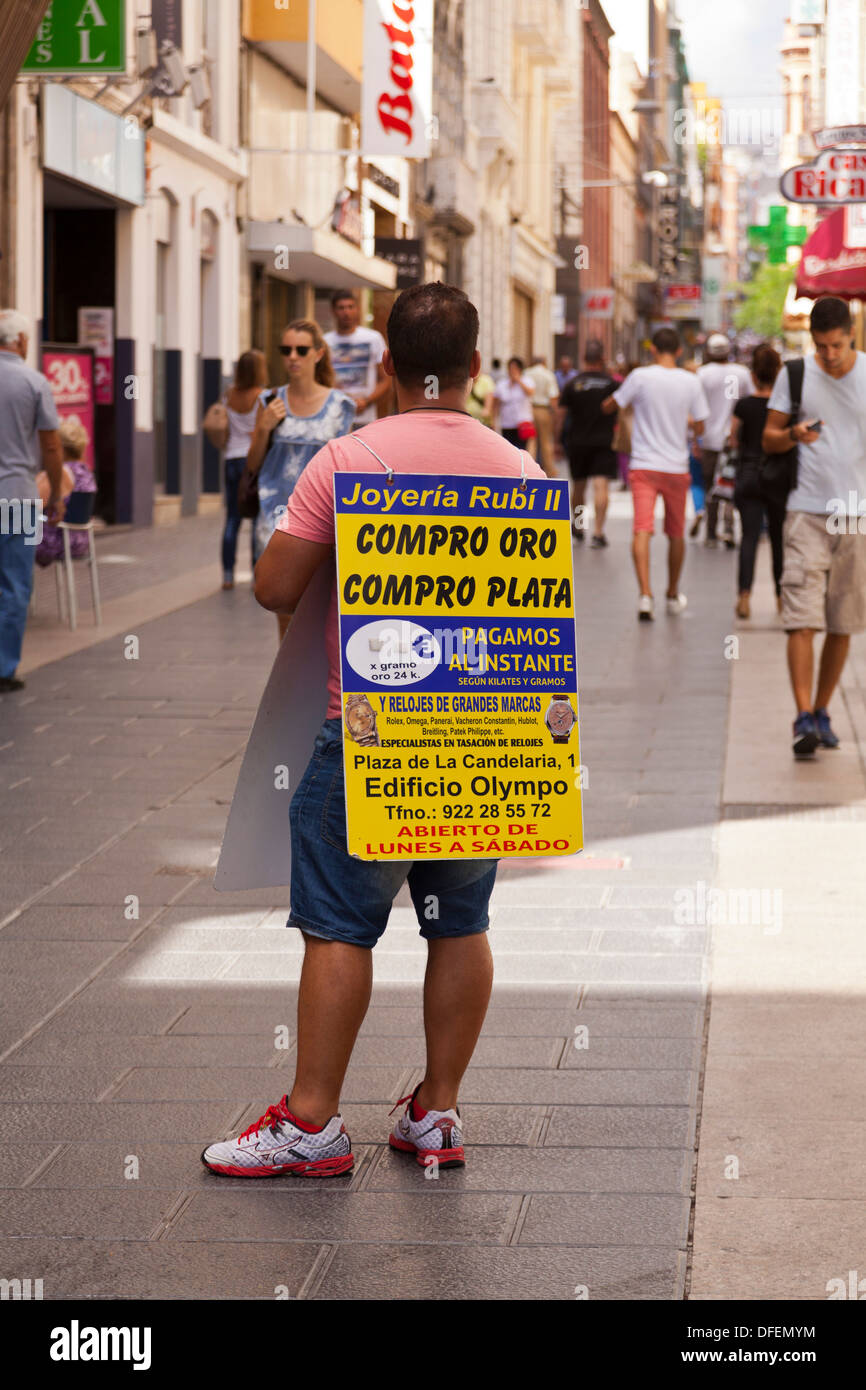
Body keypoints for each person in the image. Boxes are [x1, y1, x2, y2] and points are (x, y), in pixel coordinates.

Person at [201, 283, 547, 1179]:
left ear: (386, 365)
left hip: (369, 733)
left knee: (339, 928)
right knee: (459, 921)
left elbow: (275, 587)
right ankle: (437, 1113)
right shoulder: (520, 470)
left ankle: (313, 1123)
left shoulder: (349, 461)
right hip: (485, 737)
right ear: (475, 369)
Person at [762, 296, 866, 759]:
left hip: (857, 515)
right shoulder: (796, 373)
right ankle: (803, 716)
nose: (828, 355)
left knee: (842, 623)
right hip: (805, 511)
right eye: (821, 346)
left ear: (852, 336)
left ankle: (823, 710)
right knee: (801, 620)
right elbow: (769, 436)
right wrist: (792, 436)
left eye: (837, 346)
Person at [246, 320, 355, 641]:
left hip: (324, 518)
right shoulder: (269, 402)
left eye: (301, 350)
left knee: (324, 608)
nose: (293, 356)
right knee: (285, 611)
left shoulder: (340, 406)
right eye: (286, 350)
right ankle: (290, 686)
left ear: (318, 354)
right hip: (276, 518)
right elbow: (252, 466)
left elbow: (346, 471)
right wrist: (264, 428)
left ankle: (320, 684)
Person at [602, 326, 709, 621]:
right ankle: (672, 593)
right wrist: (684, 419)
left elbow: (611, 405)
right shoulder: (690, 381)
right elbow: (700, 426)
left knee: (642, 529)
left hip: (644, 465)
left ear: (652, 350)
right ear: (678, 351)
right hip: (676, 467)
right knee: (676, 534)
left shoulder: (640, 377)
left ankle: (645, 596)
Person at [0, 309, 63, 694]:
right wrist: (55, 493)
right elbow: (52, 444)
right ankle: (4, 669)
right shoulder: (33, 381)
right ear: (21, 341)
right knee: (14, 584)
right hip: (18, 500)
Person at [729, 343, 784, 621]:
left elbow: (732, 439)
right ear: (779, 372)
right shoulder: (784, 407)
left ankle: (744, 597)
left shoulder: (743, 405)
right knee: (778, 540)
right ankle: (780, 598)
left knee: (748, 538)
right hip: (777, 478)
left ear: (754, 374)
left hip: (748, 475)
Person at [557, 339, 618, 548]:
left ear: (584, 359)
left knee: (579, 487)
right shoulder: (612, 384)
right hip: (604, 442)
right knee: (601, 486)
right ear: (602, 359)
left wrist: (556, 440)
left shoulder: (573, 384)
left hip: (578, 442)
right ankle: (599, 532)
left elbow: (561, 414)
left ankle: (580, 525)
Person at [694, 334, 752, 548]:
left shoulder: (702, 374)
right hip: (734, 440)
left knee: (711, 486)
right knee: (730, 484)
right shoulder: (742, 373)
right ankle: (728, 528)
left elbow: (696, 410)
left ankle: (710, 532)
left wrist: (694, 439)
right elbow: (749, 403)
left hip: (709, 439)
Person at [220, 349, 267, 590]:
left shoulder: (229, 395)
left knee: (232, 519)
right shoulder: (260, 397)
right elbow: (260, 431)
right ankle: (255, 573)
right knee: (255, 518)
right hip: (252, 461)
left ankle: (228, 575)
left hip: (230, 459)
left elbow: (225, 429)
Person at [34, 418, 97, 568]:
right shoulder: (86, 473)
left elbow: (32, 504)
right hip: (80, 542)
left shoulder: (58, 474)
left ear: (59, 447)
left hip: (54, 542)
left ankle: (15, 590)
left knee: (10, 533)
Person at [324, 290, 390, 427]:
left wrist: (366, 401)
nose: (346, 312)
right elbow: (321, 380)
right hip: (334, 419)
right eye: (341, 308)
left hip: (366, 419)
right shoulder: (325, 342)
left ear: (357, 309)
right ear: (333, 311)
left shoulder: (373, 338)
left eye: (350, 307)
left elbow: (386, 379)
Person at [525, 354, 559, 477]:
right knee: (546, 442)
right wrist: (555, 413)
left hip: (529, 409)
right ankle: (549, 470)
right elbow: (553, 396)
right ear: (544, 362)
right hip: (543, 410)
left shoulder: (527, 373)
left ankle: (529, 470)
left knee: (531, 440)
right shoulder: (548, 374)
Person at [492, 356, 535, 448]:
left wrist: (518, 381)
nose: (512, 371)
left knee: (522, 449)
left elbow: (530, 392)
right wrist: (494, 420)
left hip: (522, 422)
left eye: (515, 368)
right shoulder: (502, 384)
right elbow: (496, 404)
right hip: (506, 423)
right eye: (510, 368)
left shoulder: (527, 381)